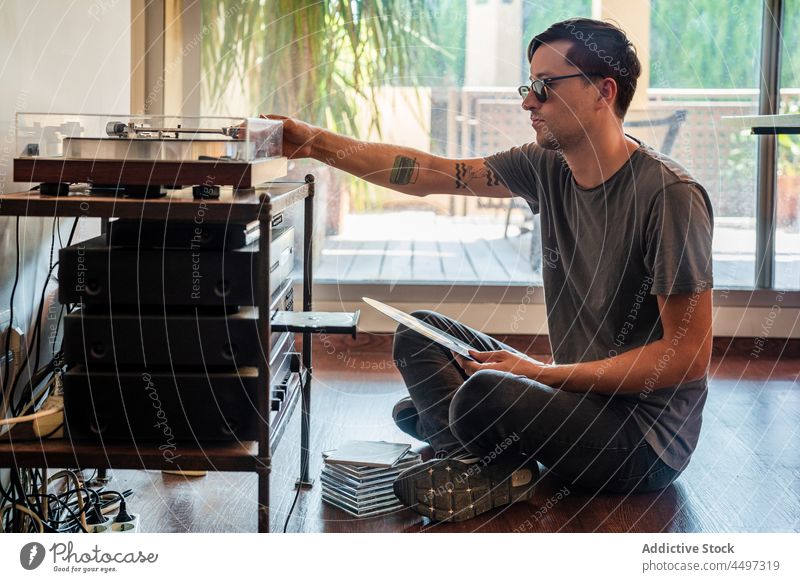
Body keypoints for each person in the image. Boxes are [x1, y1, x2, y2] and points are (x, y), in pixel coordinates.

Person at [265, 17, 713, 523]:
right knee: (421, 333)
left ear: (603, 92)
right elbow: (425, 174)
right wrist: (309, 142)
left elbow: (686, 359)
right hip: (577, 400)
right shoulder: (547, 166)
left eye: (545, 87)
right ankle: (483, 449)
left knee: (484, 392)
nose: (529, 102)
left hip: (642, 442)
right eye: (530, 86)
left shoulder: (669, 196)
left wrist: (540, 375)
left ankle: (471, 443)